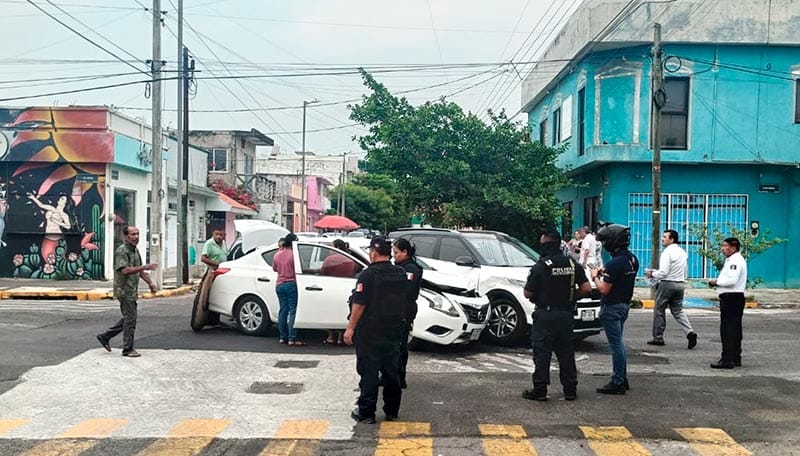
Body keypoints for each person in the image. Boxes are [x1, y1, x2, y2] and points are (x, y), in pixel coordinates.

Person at [344, 235, 409, 424]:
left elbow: (359, 304)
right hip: (394, 329)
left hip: (370, 330)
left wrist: (350, 328)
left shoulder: (368, 275)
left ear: (373, 252)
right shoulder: (400, 273)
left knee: (369, 371)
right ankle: (392, 410)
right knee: (392, 371)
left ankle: (366, 412)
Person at [522, 231, 591, 402]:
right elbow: (586, 289)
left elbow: (528, 293)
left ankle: (540, 390)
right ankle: (570, 390)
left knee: (542, 353)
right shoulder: (572, 263)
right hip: (565, 314)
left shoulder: (541, 266)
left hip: (545, 315)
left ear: (546, 245)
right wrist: (571, 297)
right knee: (566, 353)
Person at [590, 223, 639, 395]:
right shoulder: (632, 259)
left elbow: (604, 289)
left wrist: (595, 277)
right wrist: (604, 271)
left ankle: (617, 381)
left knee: (616, 345)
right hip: (624, 305)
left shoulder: (614, 263)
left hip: (611, 306)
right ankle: (622, 378)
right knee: (618, 343)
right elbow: (618, 274)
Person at [96, 226, 157, 357]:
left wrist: (150, 283)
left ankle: (105, 336)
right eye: (133, 234)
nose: (136, 237)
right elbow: (125, 270)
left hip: (132, 290)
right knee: (130, 319)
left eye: (137, 234)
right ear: (125, 236)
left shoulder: (135, 250)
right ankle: (127, 349)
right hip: (124, 290)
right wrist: (145, 266)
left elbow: (139, 270)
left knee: (129, 318)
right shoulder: (122, 251)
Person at [645, 229, 697, 349]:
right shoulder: (682, 252)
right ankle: (690, 332)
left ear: (672, 239)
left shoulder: (667, 252)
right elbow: (684, 270)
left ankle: (658, 337)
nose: (662, 239)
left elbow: (663, 272)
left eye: (665, 237)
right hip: (680, 283)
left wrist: (652, 274)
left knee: (659, 310)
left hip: (667, 284)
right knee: (678, 311)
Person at [708, 237, 748, 369]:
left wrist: (716, 282)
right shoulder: (733, 259)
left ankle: (727, 359)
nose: (722, 249)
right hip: (734, 297)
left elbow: (731, 281)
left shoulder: (735, 261)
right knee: (735, 328)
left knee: (728, 330)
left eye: (725, 246)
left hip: (731, 297)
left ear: (733, 248)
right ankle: (735, 357)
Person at [392, 238, 423, 389]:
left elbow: (407, 290)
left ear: (405, 252)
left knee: (399, 344)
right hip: (400, 308)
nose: (394, 255)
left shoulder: (410, 268)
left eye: (396, 252)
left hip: (404, 308)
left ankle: (399, 376)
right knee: (396, 343)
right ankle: (394, 375)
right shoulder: (402, 266)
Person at [321, 239, 358, 345]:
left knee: (331, 312)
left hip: (331, 287)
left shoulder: (330, 259)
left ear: (336, 247)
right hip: (346, 286)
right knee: (342, 313)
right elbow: (355, 270)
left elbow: (323, 272)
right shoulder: (350, 259)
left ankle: (331, 336)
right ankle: (341, 337)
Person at [273, 233, 304, 346]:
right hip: (291, 283)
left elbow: (275, 269)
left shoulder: (277, 254)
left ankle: (283, 337)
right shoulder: (294, 254)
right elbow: (300, 268)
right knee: (293, 311)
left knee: (283, 310)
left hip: (279, 284)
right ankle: (292, 338)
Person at [196, 227, 228, 326]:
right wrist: (217, 264)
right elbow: (203, 258)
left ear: (224, 235)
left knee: (218, 295)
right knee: (209, 295)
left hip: (221, 273)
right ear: (213, 234)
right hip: (212, 272)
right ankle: (208, 319)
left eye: (221, 235)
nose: (218, 237)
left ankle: (215, 320)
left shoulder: (223, 243)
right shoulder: (209, 243)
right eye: (216, 234)